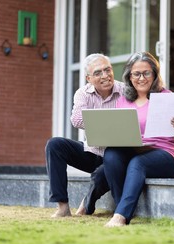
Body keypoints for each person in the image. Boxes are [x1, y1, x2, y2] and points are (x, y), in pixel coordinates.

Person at [103, 51, 174, 227]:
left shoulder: (166, 96)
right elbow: (121, 134)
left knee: (137, 162)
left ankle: (120, 216)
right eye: (136, 73)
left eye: (146, 73)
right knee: (111, 154)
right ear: (129, 76)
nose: (141, 78)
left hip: (166, 153)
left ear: (154, 75)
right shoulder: (123, 102)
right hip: (135, 150)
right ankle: (121, 207)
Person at [45, 53, 124, 218]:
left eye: (107, 70)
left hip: (118, 155)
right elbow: (77, 119)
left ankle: (86, 203)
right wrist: (111, 123)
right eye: (98, 73)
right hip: (93, 150)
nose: (105, 75)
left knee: (102, 173)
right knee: (54, 145)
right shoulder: (83, 93)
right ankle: (63, 207)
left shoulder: (125, 91)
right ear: (88, 78)